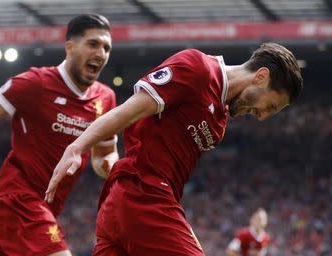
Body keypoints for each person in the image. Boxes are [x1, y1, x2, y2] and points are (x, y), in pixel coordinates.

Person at [45, 42, 303, 255]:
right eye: (270, 105)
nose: (263, 116)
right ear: (261, 77)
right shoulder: (198, 69)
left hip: (131, 205)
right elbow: (128, 111)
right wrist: (77, 147)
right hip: (142, 194)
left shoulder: (220, 121)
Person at [0, 13, 118, 256]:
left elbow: (104, 154)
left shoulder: (105, 98)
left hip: (48, 206)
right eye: (93, 44)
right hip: (18, 199)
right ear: (69, 47)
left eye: (107, 48)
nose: (101, 53)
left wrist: (109, 166)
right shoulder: (35, 83)